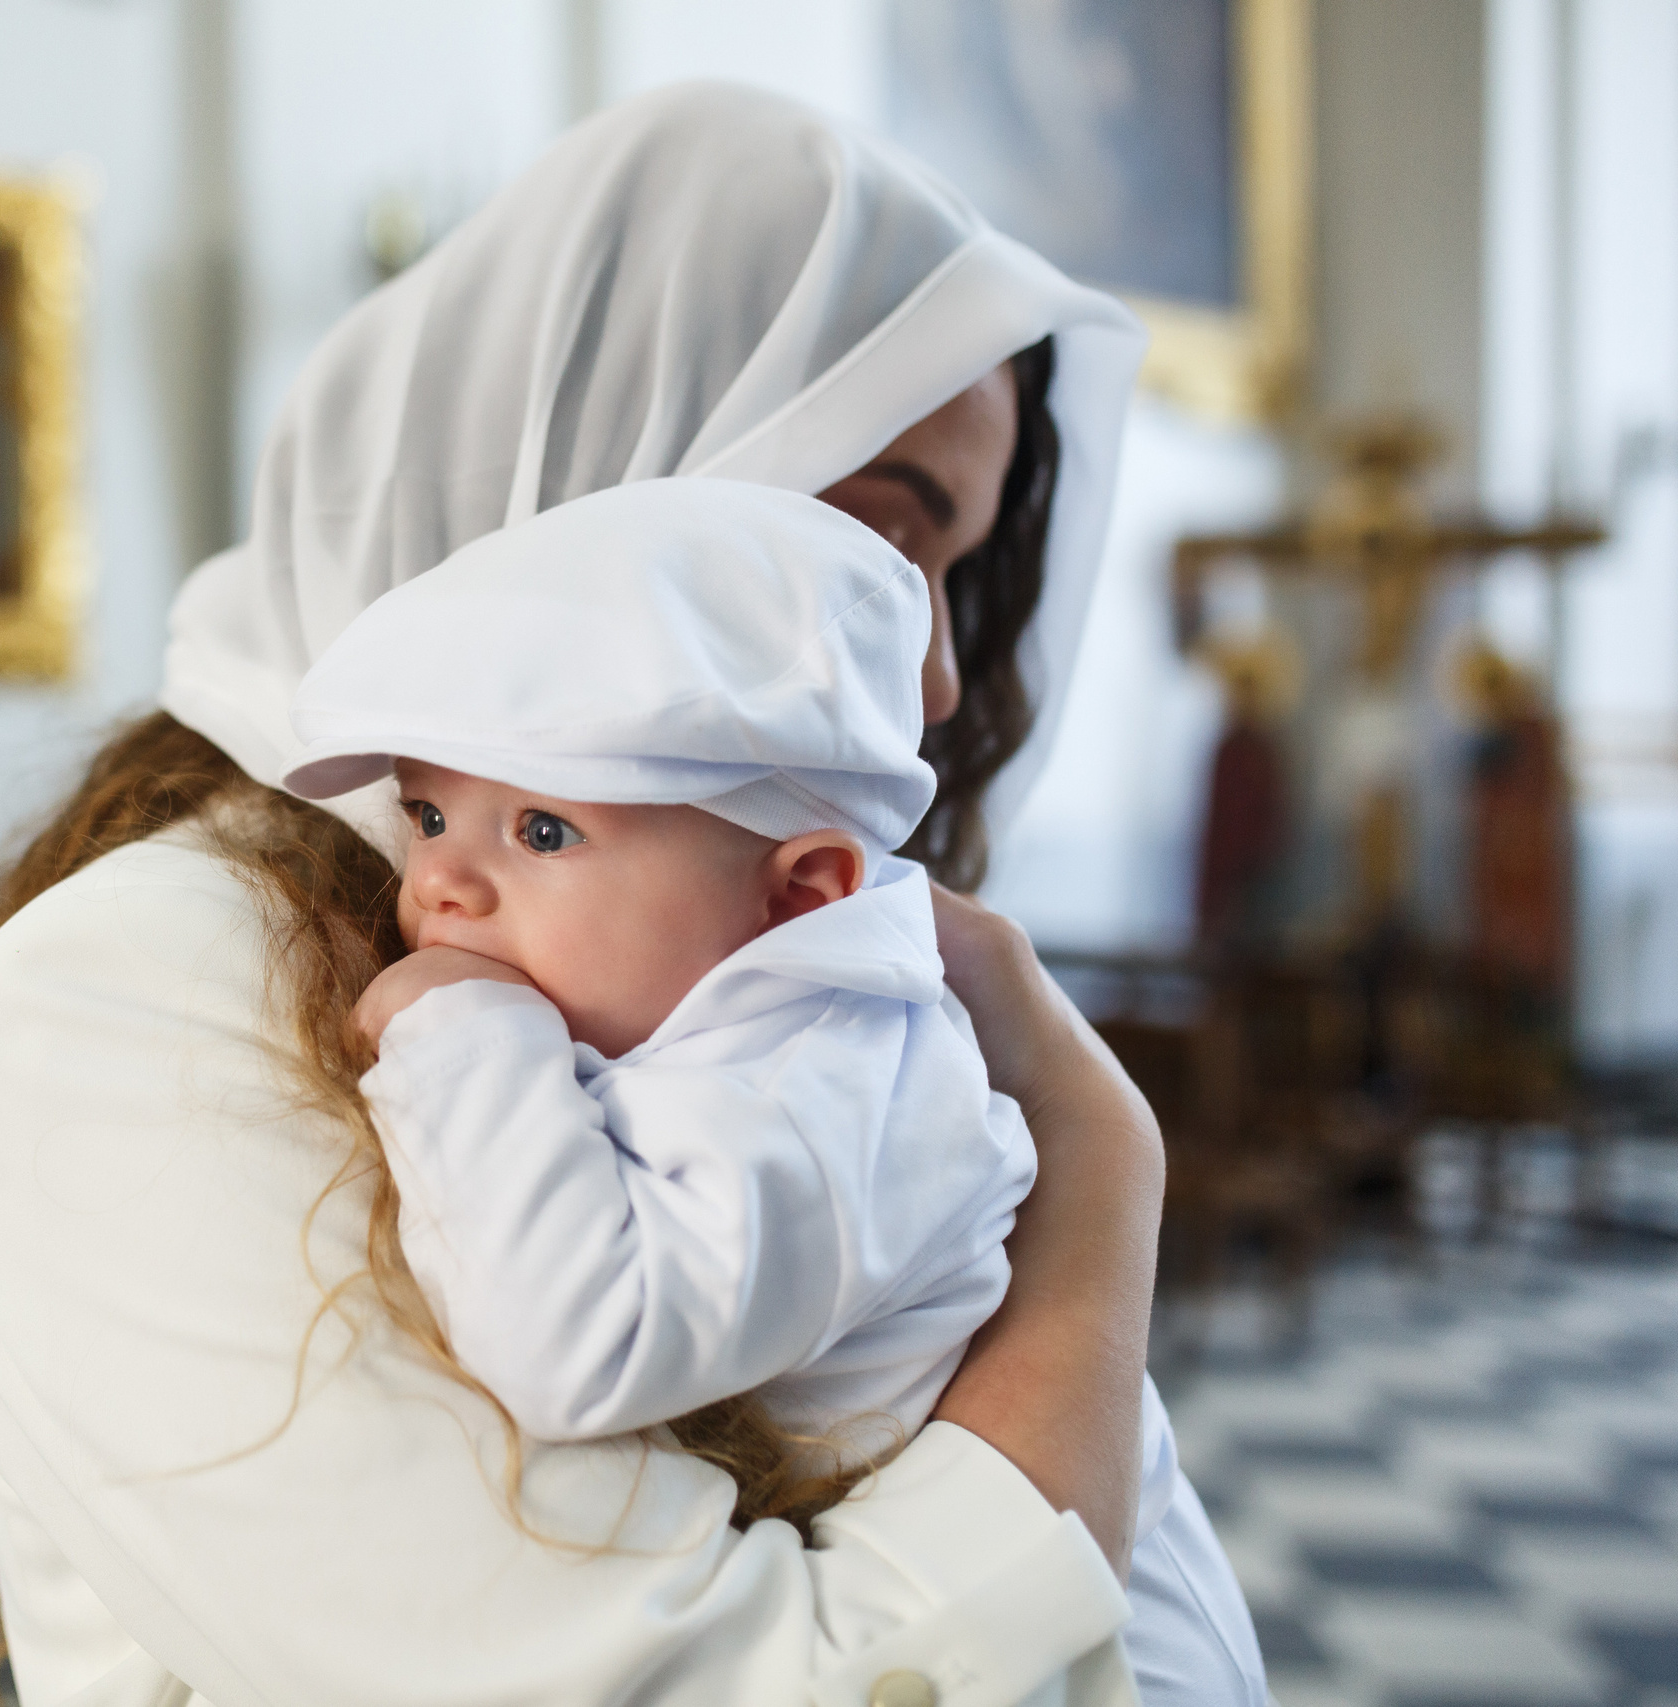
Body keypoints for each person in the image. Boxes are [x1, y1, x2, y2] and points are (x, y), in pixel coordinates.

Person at [0, 84, 1241, 1704]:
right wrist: (1101, 1192)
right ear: (609, 465)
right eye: (887, 549)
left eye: (959, 582)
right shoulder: (136, 989)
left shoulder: (671, 955)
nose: (945, 675)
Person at [282, 476, 1257, 1706]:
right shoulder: (704, 1003)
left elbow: (585, 1342)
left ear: (797, 893)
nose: (443, 885)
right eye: (427, 810)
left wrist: (460, 1033)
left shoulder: (833, 1081)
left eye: (541, 832)